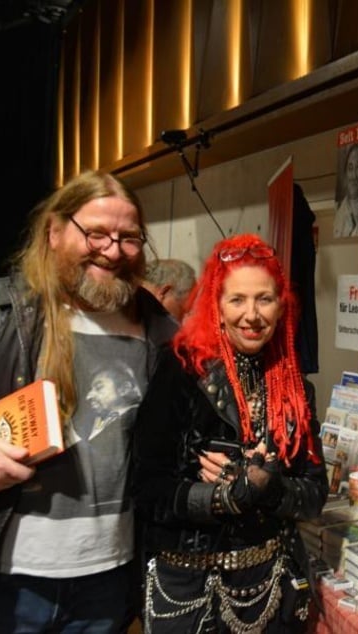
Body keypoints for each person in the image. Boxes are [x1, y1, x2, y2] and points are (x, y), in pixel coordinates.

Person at [0, 170, 178, 633]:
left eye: (129, 238)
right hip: (5, 581)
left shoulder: (159, 332)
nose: (113, 249)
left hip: (108, 579)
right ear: (54, 231)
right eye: (97, 233)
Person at [132, 233, 328, 633]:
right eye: (237, 299)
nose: (252, 315)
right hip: (188, 587)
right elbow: (145, 486)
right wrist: (220, 497)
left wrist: (269, 487)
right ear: (216, 306)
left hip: (271, 585)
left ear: (281, 305)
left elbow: (315, 494)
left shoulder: (294, 385)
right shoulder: (182, 370)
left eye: (264, 299)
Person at [334, 143, 358, 237]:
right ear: (345, 172)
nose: (354, 176)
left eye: (357, 167)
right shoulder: (339, 214)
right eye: (350, 168)